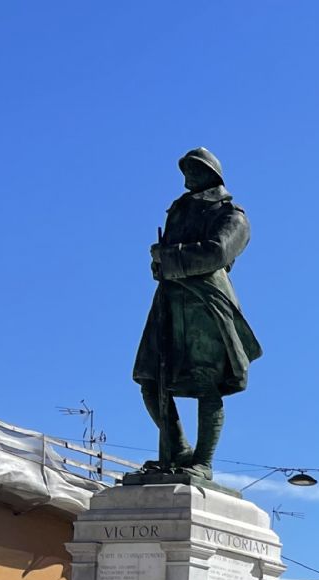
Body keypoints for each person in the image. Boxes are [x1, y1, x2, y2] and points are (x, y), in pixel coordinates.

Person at [129, 147, 261, 487]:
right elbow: (161, 265)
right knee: (149, 380)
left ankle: (203, 462)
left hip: (206, 301)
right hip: (169, 301)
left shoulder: (232, 215)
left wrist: (168, 257)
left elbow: (217, 252)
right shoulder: (179, 210)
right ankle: (178, 450)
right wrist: (159, 262)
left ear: (211, 174)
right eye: (185, 169)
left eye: (194, 168)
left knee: (207, 382)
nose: (187, 175)